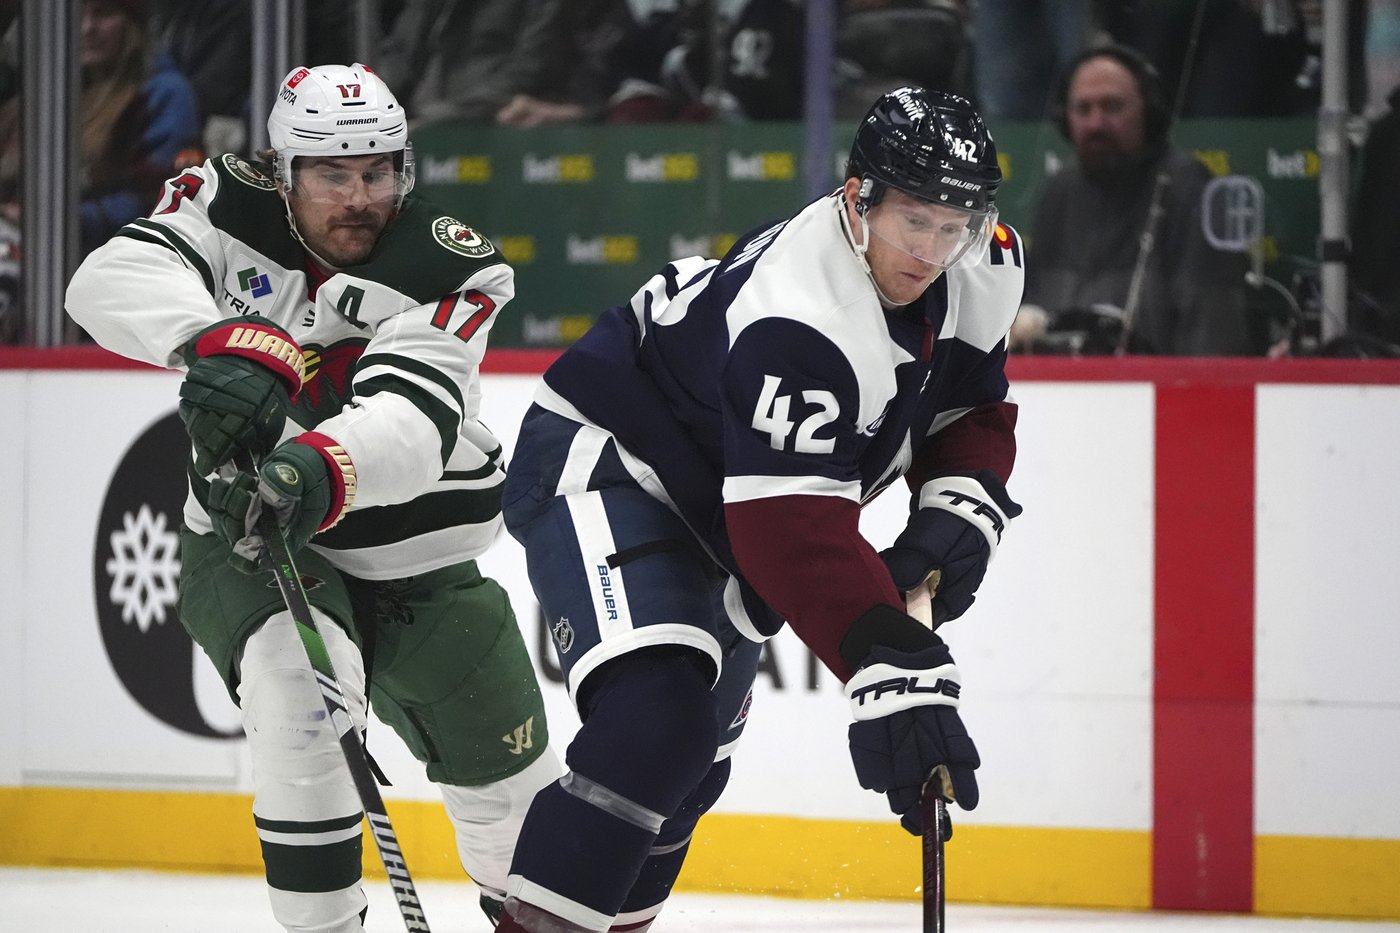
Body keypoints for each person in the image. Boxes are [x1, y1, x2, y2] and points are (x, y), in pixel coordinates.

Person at [494, 86, 1024, 933]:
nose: (931, 250)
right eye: (913, 220)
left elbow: (970, 407)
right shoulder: (801, 313)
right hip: (617, 456)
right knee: (655, 726)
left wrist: (949, 524)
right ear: (858, 199)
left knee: (692, 768)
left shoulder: (985, 261)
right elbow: (788, 533)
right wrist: (891, 667)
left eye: (953, 224)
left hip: (733, 493)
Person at [65, 63, 562, 932]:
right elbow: (104, 279)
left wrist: (313, 467)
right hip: (255, 544)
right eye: (333, 174)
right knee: (300, 696)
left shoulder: (451, 265)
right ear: (283, 170)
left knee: (526, 826)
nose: (360, 198)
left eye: (378, 172)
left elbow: (411, 421)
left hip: (420, 559)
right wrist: (218, 340)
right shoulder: (227, 203)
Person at [1015, 43, 1253, 355]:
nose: (1096, 123)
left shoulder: (1187, 185)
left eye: (1112, 106)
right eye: (1083, 109)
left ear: (1149, 112)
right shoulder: (1060, 190)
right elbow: (1037, 316)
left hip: (1160, 381)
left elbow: (1211, 335)